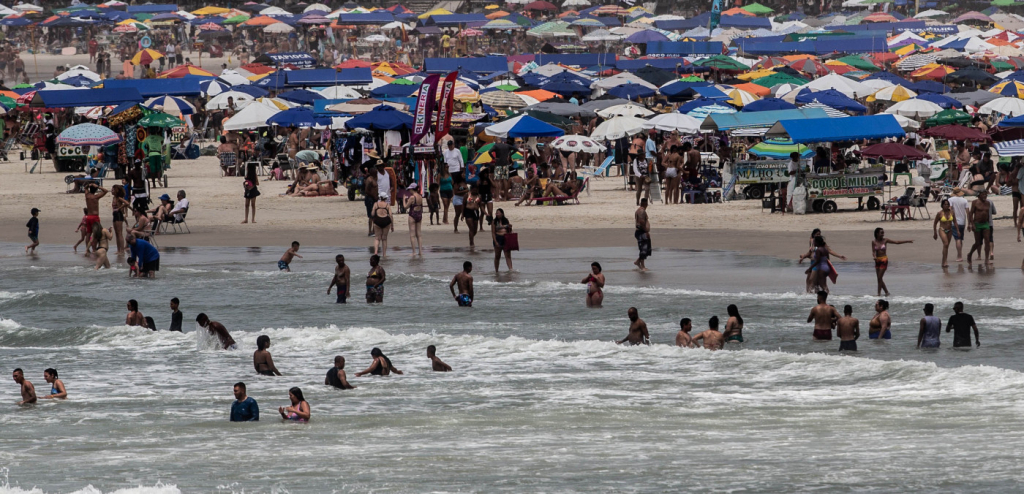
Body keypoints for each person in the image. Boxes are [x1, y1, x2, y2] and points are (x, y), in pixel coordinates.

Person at [871, 227, 912, 297]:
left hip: (884, 260)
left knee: (879, 278)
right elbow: (873, 251)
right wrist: (874, 256)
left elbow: (897, 242)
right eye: (881, 233)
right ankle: (886, 292)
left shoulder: (885, 240)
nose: (883, 234)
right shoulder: (873, 242)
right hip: (877, 260)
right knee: (879, 278)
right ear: (877, 233)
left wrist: (907, 241)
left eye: (883, 233)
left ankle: (878, 294)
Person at [966, 190, 993, 265]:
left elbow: (987, 214)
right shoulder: (975, 202)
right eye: (983, 194)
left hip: (985, 224)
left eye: (986, 194)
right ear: (979, 195)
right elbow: (971, 214)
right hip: (977, 224)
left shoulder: (988, 203)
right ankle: (970, 254)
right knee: (978, 242)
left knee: (987, 241)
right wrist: (971, 224)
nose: (985, 196)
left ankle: (986, 259)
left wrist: (988, 223)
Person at [933, 199, 958, 268]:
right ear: (942, 205)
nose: (946, 206)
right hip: (942, 229)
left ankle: (944, 260)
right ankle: (944, 262)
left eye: (947, 204)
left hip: (950, 230)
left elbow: (955, 222)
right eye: (945, 204)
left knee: (946, 246)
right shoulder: (940, 213)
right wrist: (935, 233)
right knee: (946, 244)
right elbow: (935, 223)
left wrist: (958, 230)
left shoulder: (952, 212)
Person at [948, 187, 969, 262]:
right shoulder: (965, 200)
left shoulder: (950, 200)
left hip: (954, 222)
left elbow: (949, 210)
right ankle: (960, 254)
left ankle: (959, 256)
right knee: (960, 238)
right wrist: (969, 223)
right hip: (962, 222)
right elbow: (968, 212)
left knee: (957, 239)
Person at [404, 183, 424, 256]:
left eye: (410, 189)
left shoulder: (412, 197)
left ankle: (414, 252)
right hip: (419, 214)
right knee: (419, 234)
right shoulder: (420, 196)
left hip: (412, 215)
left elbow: (405, 207)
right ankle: (420, 252)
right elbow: (421, 206)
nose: (409, 191)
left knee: (412, 235)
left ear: (412, 189)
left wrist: (404, 200)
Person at [634, 198, 651, 271]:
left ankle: (638, 261)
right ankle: (642, 265)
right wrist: (646, 231)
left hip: (642, 232)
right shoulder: (641, 211)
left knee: (647, 249)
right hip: (641, 232)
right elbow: (641, 222)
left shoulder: (641, 210)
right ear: (645, 204)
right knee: (643, 249)